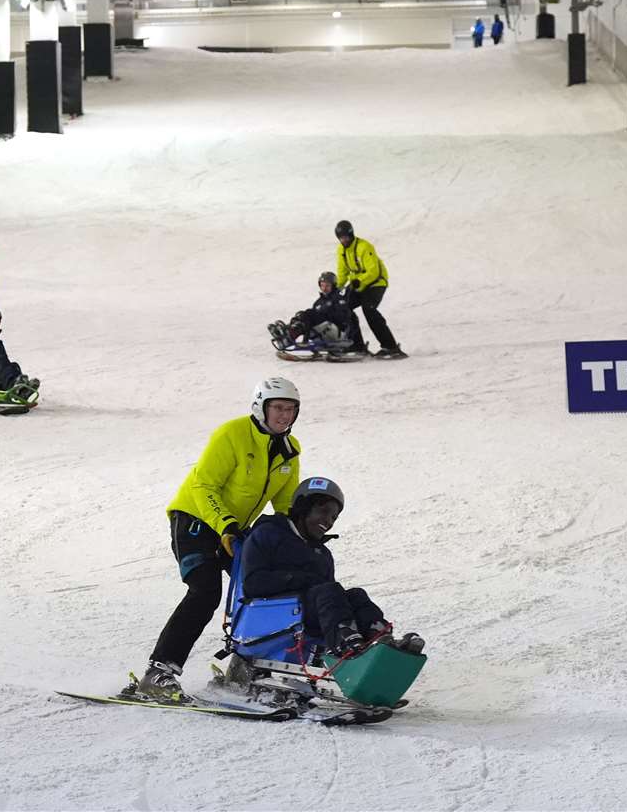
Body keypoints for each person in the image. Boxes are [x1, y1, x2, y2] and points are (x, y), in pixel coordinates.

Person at [136, 377, 304, 701]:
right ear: (261, 408)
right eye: (278, 408)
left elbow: (286, 505)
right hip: (195, 519)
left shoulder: (289, 450)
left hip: (234, 530)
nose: (284, 415)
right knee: (205, 590)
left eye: (290, 409)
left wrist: (300, 536)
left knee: (262, 589)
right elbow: (203, 486)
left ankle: (245, 672)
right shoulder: (233, 434)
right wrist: (225, 524)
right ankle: (158, 673)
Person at [238, 477, 420, 656]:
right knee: (328, 591)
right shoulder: (267, 533)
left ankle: (378, 637)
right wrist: (302, 580)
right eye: (324, 512)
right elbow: (253, 583)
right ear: (303, 507)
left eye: (334, 517)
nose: (329, 521)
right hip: (270, 614)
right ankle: (345, 641)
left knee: (356, 595)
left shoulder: (322, 555)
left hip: (306, 615)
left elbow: (332, 602)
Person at [334, 220, 404, 358]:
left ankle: (391, 347)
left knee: (369, 309)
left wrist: (359, 281)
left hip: (376, 283)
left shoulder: (364, 247)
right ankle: (357, 345)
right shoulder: (341, 251)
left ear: (352, 234)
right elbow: (342, 273)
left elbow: (373, 271)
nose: (344, 240)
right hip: (358, 284)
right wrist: (335, 289)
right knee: (343, 308)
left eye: (346, 237)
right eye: (341, 238)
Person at [285, 272, 362, 352]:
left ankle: (297, 336)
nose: (324, 288)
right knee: (303, 315)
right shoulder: (318, 303)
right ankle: (289, 334)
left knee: (309, 313)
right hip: (323, 332)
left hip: (337, 332)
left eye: (327, 286)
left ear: (333, 285)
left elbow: (342, 318)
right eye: (322, 285)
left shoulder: (339, 298)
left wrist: (323, 316)